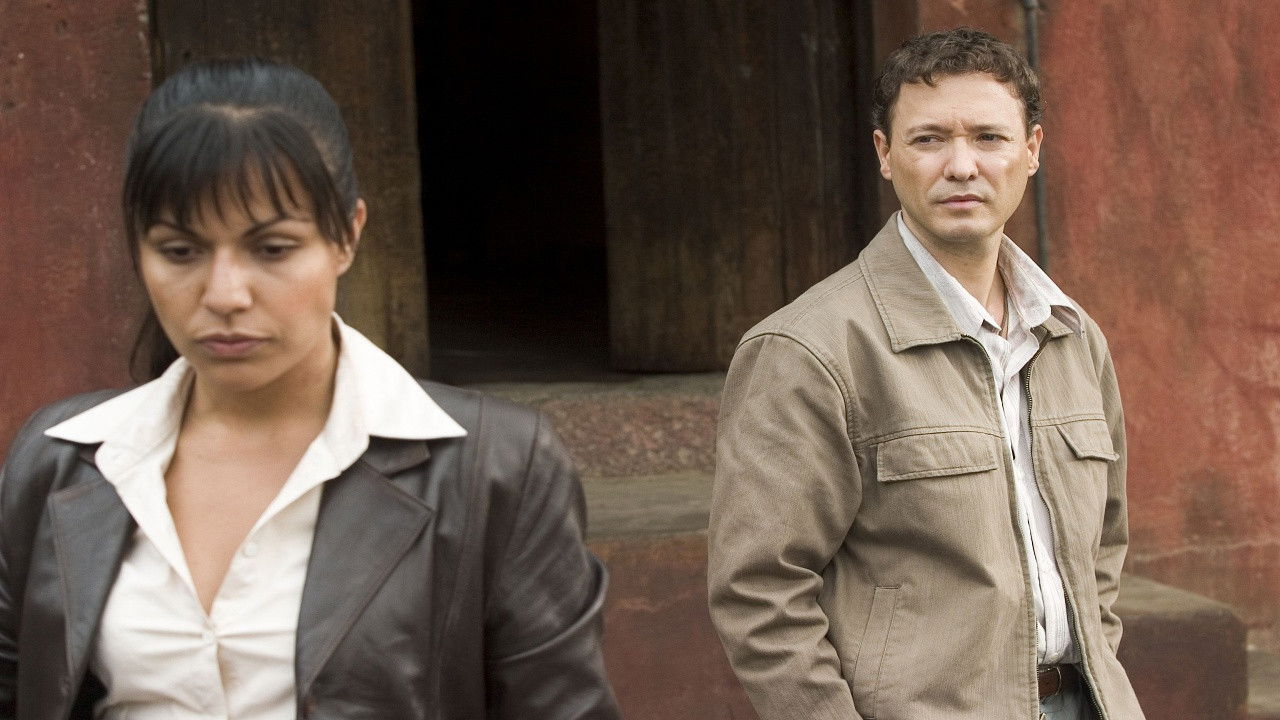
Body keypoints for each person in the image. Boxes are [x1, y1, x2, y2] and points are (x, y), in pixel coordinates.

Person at [0, 58, 620, 720]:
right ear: (137, 249)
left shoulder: (494, 468)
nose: (225, 295)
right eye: (180, 251)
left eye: (273, 249)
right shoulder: (63, 461)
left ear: (347, 235)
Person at [708, 27, 1144, 720]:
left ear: (1032, 149)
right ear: (885, 155)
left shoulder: (1071, 336)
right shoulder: (809, 349)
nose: (962, 166)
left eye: (990, 138)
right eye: (929, 139)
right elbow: (760, 593)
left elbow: (1103, 552)